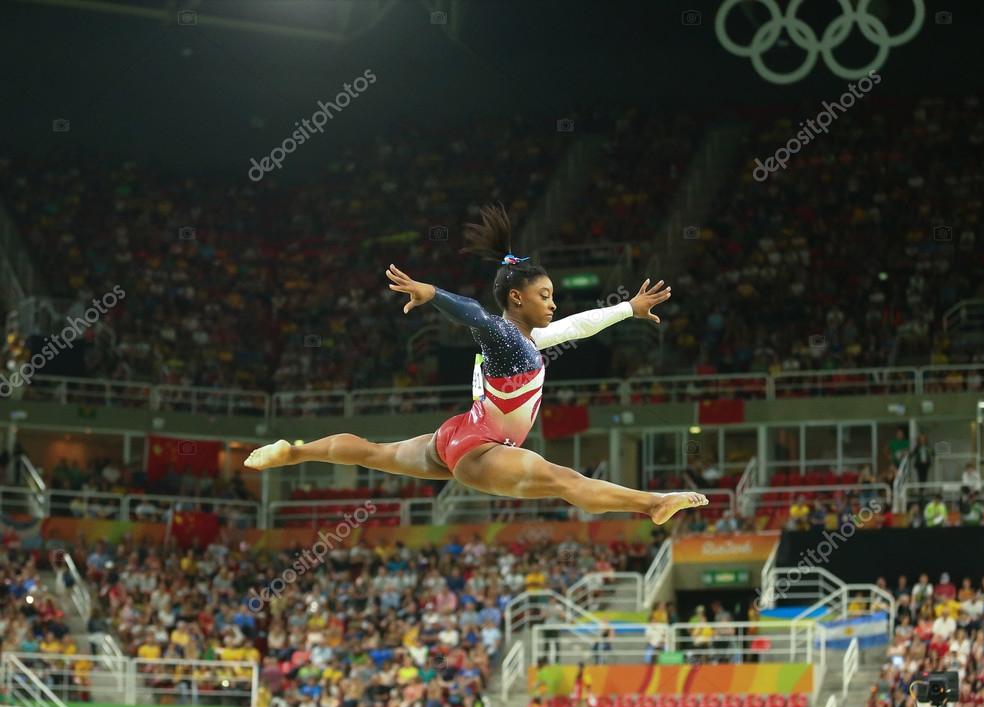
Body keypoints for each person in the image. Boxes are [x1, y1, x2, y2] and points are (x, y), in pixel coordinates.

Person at [245, 205, 708, 524]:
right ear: (515, 298)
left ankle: (294, 452)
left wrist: (628, 308)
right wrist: (433, 295)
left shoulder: (529, 339)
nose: (552, 304)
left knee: (375, 453)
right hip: (480, 449)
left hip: (458, 434)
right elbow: (472, 312)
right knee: (565, 480)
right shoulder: (506, 336)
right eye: (544, 296)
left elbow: (578, 326)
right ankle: (651, 505)